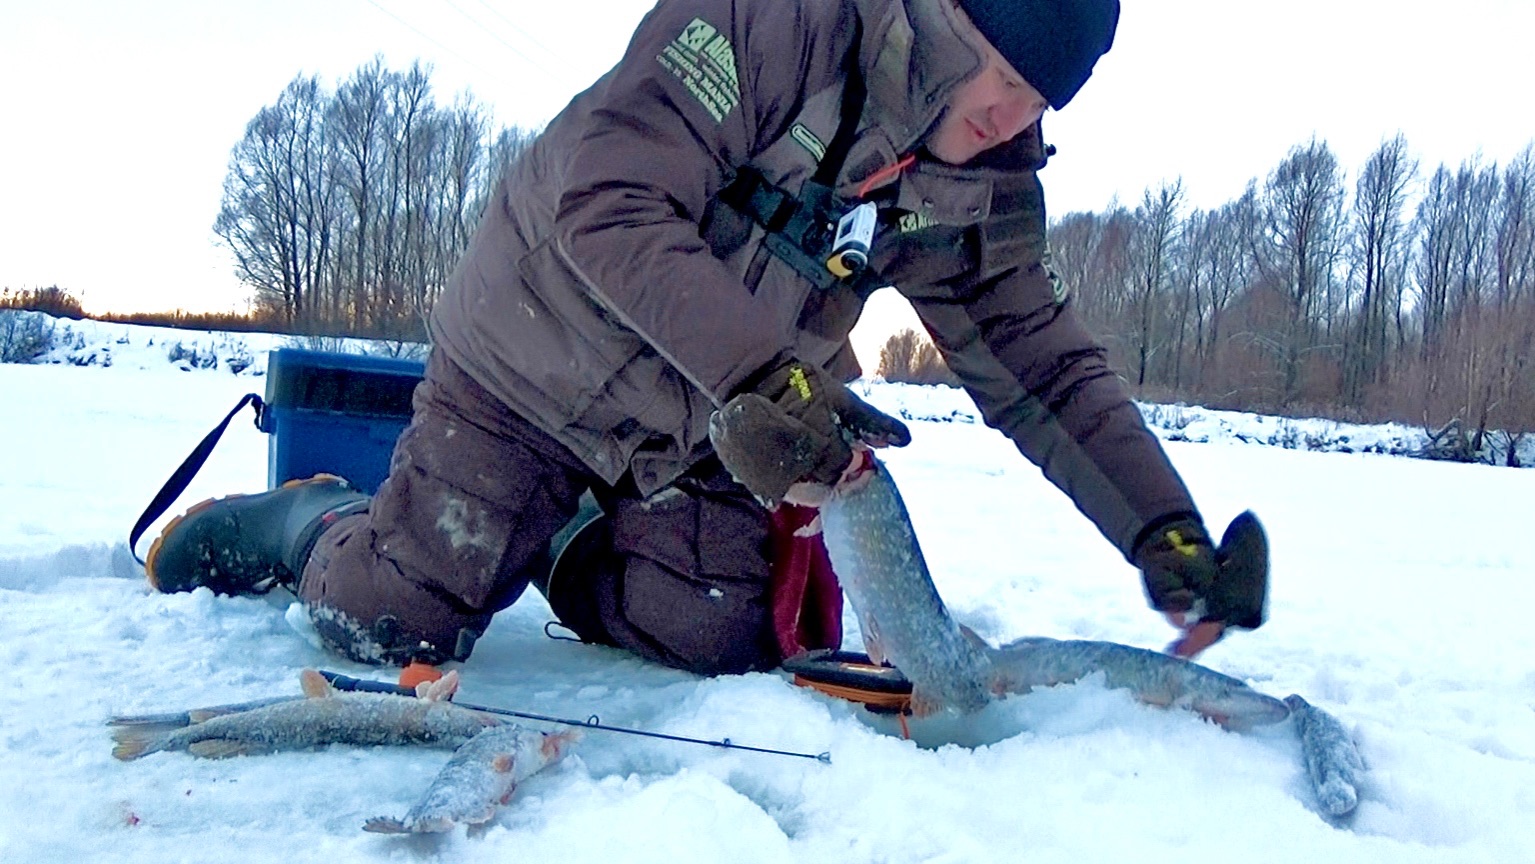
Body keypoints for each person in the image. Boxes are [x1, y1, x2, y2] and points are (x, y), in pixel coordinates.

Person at [146, 0, 1267, 677]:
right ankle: (319, 516)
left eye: (1041, 104)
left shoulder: (972, 175)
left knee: (725, 640)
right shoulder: (773, 20)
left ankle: (563, 540)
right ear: (940, 20)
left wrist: (1161, 530)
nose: (1009, 121)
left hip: (707, 428)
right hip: (532, 361)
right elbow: (607, 196)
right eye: (1004, 80)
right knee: (391, 625)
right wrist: (766, 374)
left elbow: (1040, 368)